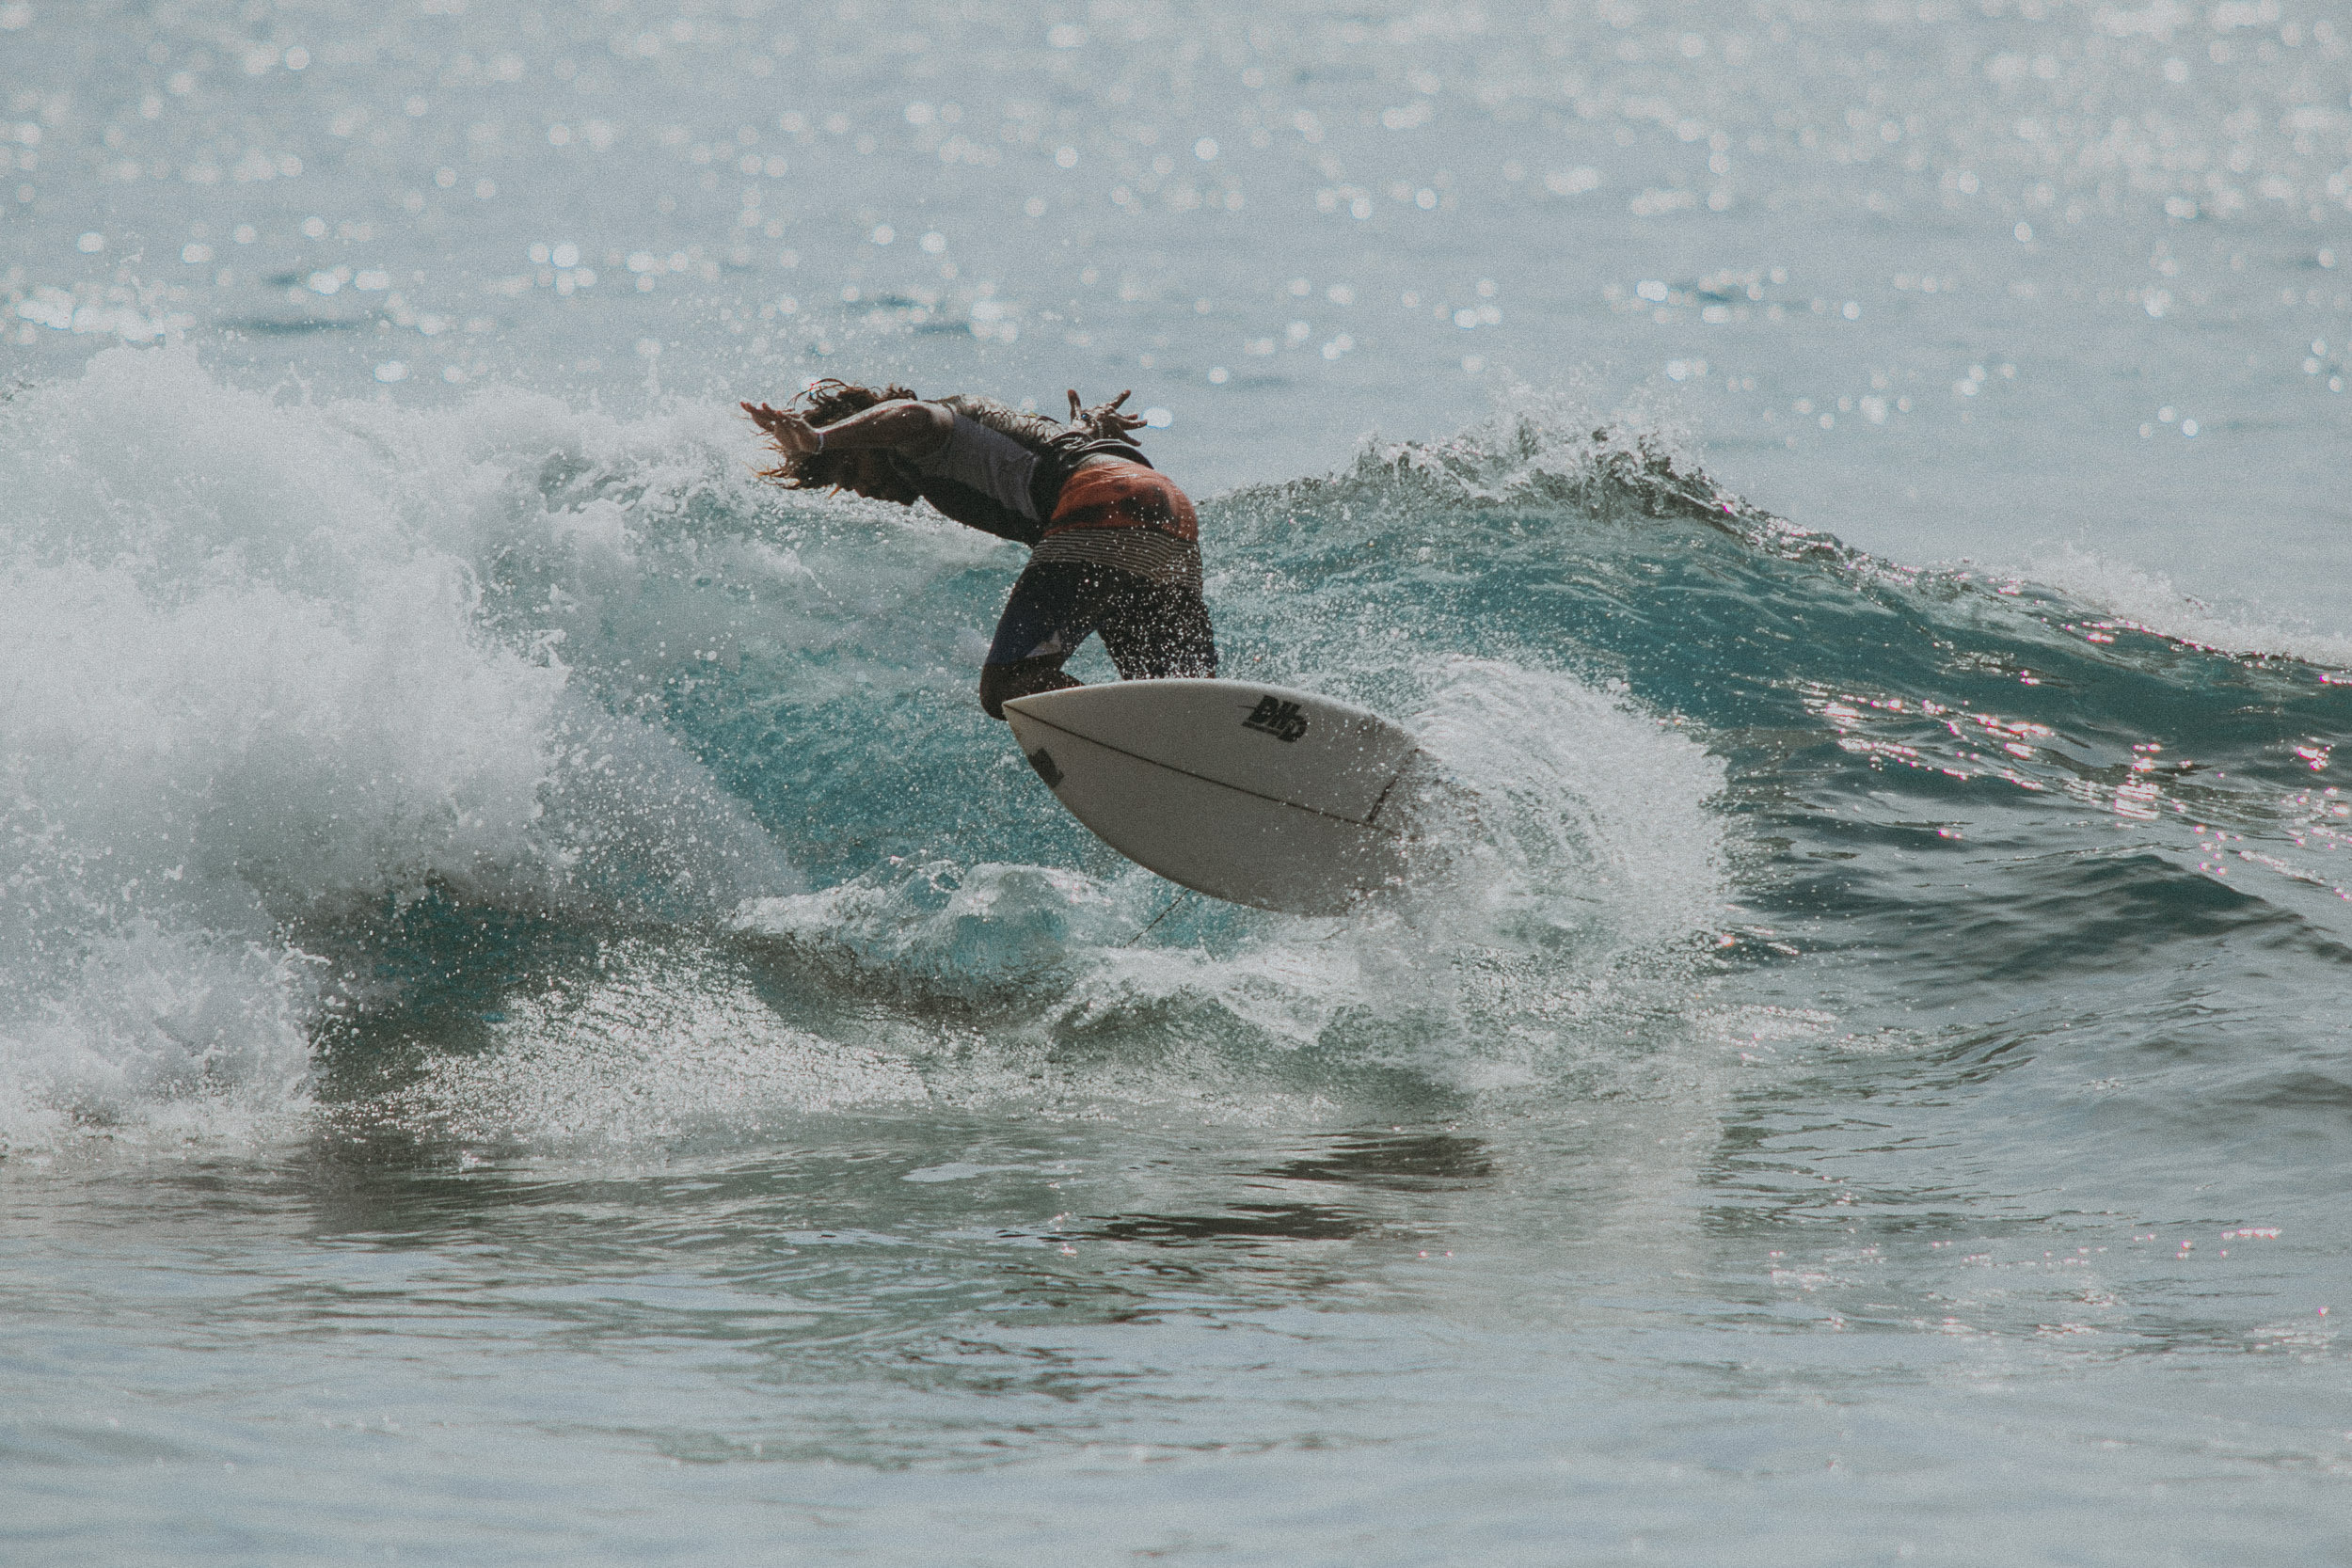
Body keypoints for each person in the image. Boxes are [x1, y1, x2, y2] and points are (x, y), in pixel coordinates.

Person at [741, 380, 1217, 718]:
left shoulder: (926, 431)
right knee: (1175, 700)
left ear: (863, 435)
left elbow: (908, 417)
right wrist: (1093, 425)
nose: (862, 492)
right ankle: (1212, 755)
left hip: (1102, 502)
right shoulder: (975, 439)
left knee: (1009, 685)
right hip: (1165, 508)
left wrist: (820, 439)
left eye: (850, 475)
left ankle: (1135, 751)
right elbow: (1059, 450)